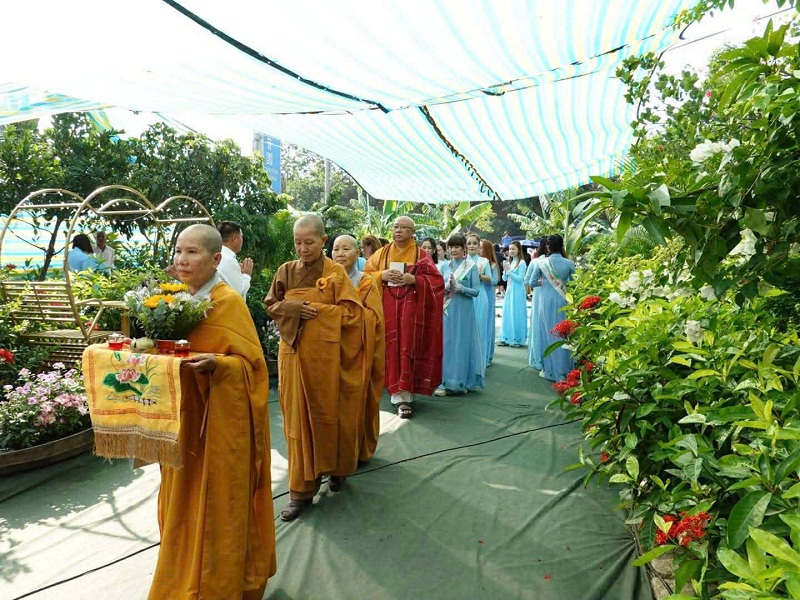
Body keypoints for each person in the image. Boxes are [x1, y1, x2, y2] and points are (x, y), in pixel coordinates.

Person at [148, 224, 275, 599]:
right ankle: (181, 573)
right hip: (181, 422)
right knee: (181, 501)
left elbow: (253, 367)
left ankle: (219, 584)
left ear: (216, 259)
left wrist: (219, 365)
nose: (182, 260)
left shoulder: (228, 302)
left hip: (220, 428)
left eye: (192, 253)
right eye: (178, 252)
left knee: (219, 504)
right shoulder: (170, 300)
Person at [264, 215, 364, 521]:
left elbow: (352, 314)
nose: (303, 248)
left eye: (309, 242)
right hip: (293, 356)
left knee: (329, 414)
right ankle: (301, 490)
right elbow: (270, 303)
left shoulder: (335, 274)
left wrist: (318, 311)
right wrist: (293, 308)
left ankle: (336, 468)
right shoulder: (285, 271)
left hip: (326, 360)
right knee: (297, 423)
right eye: (297, 242)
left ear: (323, 241)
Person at [364, 216, 444, 419]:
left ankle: (405, 397)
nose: (398, 230)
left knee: (406, 347)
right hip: (387, 309)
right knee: (390, 347)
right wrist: (381, 276)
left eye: (403, 228)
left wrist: (414, 279)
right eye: (396, 227)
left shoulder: (421, 254)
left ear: (412, 232)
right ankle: (394, 392)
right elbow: (365, 276)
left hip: (411, 313)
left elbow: (436, 281)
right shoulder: (381, 254)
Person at [331, 234, 385, 463]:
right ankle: (332, 453)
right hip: (331, 351)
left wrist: (346, 315)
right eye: (335, 249)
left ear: (357, 253)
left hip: (358, 352)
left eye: (346, 249)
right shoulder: (324, 279)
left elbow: (374, 318)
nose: (340, 253)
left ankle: (358, 450)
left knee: (357, 402)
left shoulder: (365, 282)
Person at [435, 233, 484, 395]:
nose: (453, 250)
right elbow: (436, 288)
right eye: (451, 246)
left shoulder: (471, 266)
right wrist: (445, 287)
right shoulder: (443, 266)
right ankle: (445, 380)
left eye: (457, 246)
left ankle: (459, 381)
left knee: (461, 345)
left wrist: (460, 288)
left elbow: (476, 291)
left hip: (464, 311)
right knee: (446, 344)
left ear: (463, 249)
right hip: (447, 310)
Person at [526, 234, 576, 381]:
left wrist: (545, 283)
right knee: (564, 333)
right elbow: (575, 284)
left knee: (547, 333)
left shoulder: (540, 263)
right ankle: (565, 370)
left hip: (545, 301)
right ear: (562, 246)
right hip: (563, 300)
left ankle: (550, 371)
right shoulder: (569, 263)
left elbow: (532, 282)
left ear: (547, 246)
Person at [465, 232, 489, 372]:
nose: (472, 246)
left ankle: (479, 363)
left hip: (480, 298)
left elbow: (491, 280)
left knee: (479, 329)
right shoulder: (462, 261)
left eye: (474, 243)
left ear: (479, 245)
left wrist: (479, 275)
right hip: (465, 297)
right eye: (469, 243)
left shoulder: (483, 261)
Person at [498, 240, 527, 347]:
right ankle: (506, 337)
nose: (511, 251)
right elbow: (504, 278)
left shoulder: (522, 263)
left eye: (513, 249)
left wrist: (509, 271)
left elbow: (520, 279)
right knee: (507, 312)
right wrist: (505, 271)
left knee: (516, 313)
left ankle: (517, 339)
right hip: (510, 290)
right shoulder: (510, 262)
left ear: (518, 250)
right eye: (510, 249)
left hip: (518, 290)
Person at [524, 238, 548, 371]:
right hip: (540, 294)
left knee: (539, 324)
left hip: (541, 295)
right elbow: (527, 280)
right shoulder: (536, 262)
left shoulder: (538, 261)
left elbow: (526, 280)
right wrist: (543, 282)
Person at [216, 221, 253, 298]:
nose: (242, 240)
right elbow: (240, 291)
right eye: (241, 236)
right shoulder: (227, 259)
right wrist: (247, 274)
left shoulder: (216, 254)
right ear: (234, 239)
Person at [479, 239, 500, 367]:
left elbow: (495, 281)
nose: (479, 249)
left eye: (481, 247)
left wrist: (482, 276)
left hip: (488, 295)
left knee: (487, 324)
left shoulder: (492, 264)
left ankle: (487, 355)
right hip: (478, 294)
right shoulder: (475, 262)